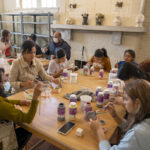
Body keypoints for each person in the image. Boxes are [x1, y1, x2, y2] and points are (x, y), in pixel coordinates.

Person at [89, 79, 150, 150]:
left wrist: (99, 130)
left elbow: (134, 133)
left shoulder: (137, 135)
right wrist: (114, 115)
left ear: (137, 103)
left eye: (126, 99)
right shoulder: (145, 120)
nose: (124, 103)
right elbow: (130, 128)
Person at [0, 83, 42, 150]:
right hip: (4, 145)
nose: (4, 85)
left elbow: (4, 100)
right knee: (28, 129)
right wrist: (35, 97)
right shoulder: (3, 107)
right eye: (3, 82)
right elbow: (28, 118)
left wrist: (20, 102)